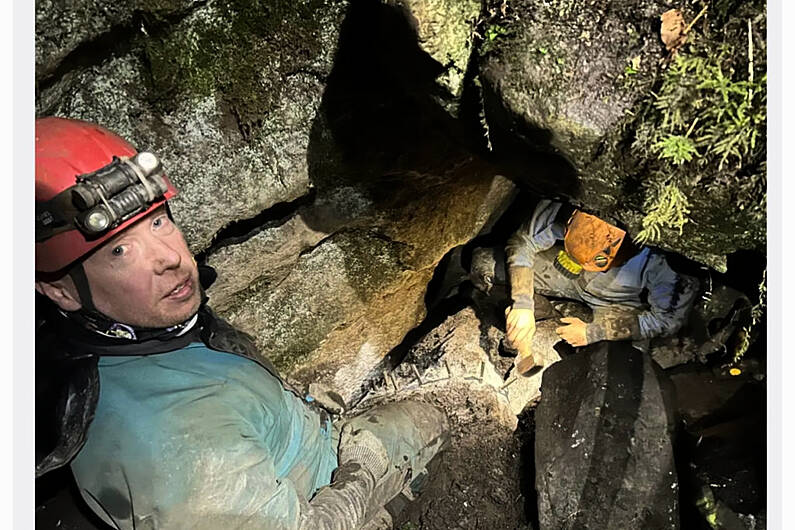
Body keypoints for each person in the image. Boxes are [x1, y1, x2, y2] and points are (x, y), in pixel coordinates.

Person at [35, 117, 449, 529]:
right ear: (60, 292)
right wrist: (362, 476)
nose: (170, 258)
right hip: (314, 494)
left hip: (291, 445)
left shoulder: (142, 327)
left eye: (158, 222)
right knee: (429, 420)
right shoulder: (176, 446)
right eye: (121, 251)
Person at [470, 199, 698, 374]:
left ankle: (561, 313)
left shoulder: (664, 261)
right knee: (483, 265)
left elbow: (666, 320)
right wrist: (522, 302)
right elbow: (523, 242)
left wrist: (594, 332)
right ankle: (546, 309)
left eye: (594, 262)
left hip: (616, 301)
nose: (585, 265)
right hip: (562, 274)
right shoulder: (567, 206)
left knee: (630, 359)